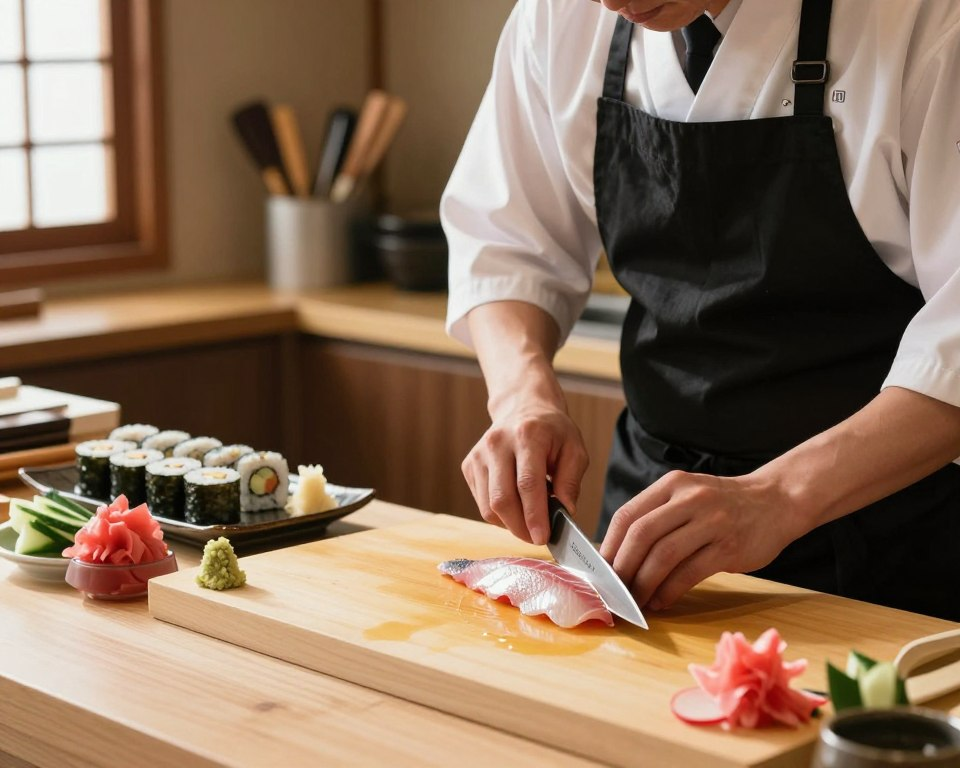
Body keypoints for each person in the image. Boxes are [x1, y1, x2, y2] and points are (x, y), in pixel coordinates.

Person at [440, 0, 960, 621]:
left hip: (890, 551)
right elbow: (506, 244)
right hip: (646, 540)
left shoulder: (926, 21)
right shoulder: (562, 15)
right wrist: (523, 396)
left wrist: (778, 495)